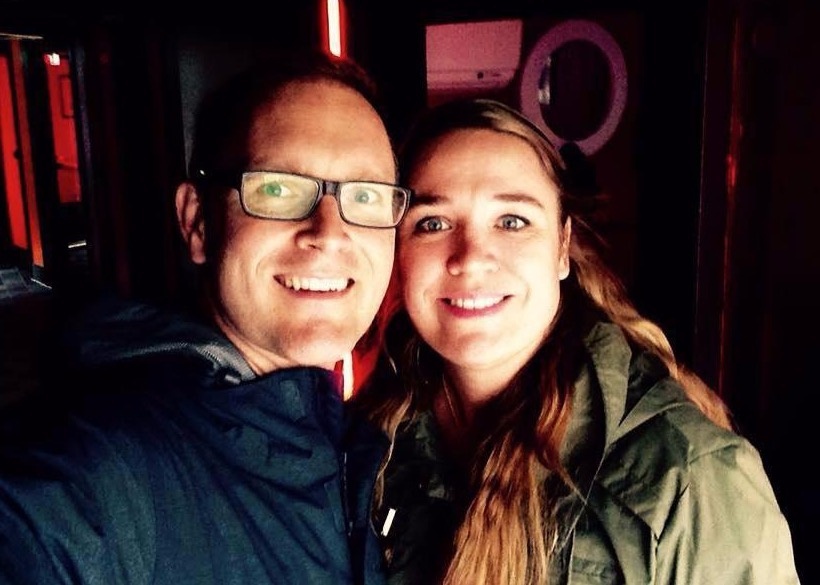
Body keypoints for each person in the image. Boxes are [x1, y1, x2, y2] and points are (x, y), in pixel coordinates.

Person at [0, 50, 410, 584]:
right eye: (277, 188)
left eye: (367, 196)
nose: (329, 233)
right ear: (197, 222)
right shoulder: (95, 472)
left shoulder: (354, 442)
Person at [352, 98, 800, 584]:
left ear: (562, 247)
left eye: (512, 221)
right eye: (433, 223)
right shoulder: (370, 444)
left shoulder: (690, 480)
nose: (472, 258)